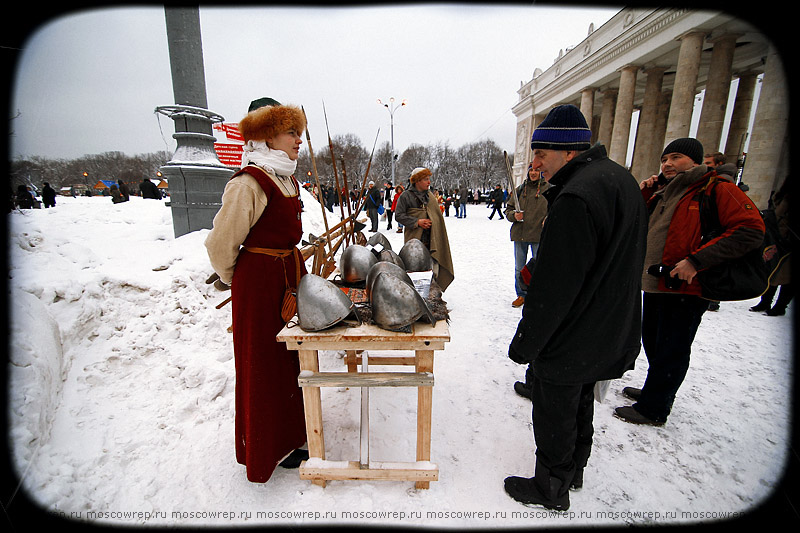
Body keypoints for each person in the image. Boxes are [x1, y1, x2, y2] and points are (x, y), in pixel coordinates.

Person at [504, 104, 647, 511]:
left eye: (541, 154)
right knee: (581, 401)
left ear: (568, 151)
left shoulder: (576, 195)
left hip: (574, 330)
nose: (536, 163)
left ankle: (550, 486)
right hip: (608, 323)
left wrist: (527, 343)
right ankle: (574, 470)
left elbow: (556, 286)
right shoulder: (620, 179)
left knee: (555, 410)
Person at [614, 138, 765, 428]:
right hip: (657, 282)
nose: (667, 164)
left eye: (676, 157)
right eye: (664, 159)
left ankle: (654, 408)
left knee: (673, 347)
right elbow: (639, 223)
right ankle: (655, 390)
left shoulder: (717, 188)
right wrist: (645, 192)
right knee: (655, 341)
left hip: (686, 286)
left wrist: (697, 261)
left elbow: (751, 229)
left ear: (694, 161)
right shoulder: (664, 190)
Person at [204, 96, 309, 483]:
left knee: (288, 360)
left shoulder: (286, 176)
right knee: (262, 365)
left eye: (298, 132)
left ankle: (292, 435)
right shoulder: (248, 181)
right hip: (259, 283)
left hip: (286, 276)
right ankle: (265, 448)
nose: (299, 140)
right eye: (290, 132)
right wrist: (241, 279)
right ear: (267, 136)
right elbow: (220, 245)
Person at [394, 167, 455, 291]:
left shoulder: (430, 196)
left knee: (433, 269)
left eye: (429, 179)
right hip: (415, 241)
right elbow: (399, 216)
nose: (429, 182)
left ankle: (433, 294)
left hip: (432, 241)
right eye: (426, 179)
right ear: (417, 181)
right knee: (414, 270)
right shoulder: (406, 196)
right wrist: (417, 222)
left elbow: (436, 217)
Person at [505, 165, 549, 309]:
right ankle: (521, 294)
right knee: (520, 268)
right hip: (521, 234)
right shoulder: (520, 190)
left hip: (538, 234)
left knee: (538, 267)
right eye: (531, 170)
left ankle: (536, 295)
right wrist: (514, 216)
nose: (533, 173)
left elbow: (556, 207)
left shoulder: (548, 189)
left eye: (536, 170)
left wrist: (548, 218)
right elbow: (508, 210)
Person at [750, 179, 792, 316]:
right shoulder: (782, 195)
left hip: (791, 239)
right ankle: (765, 302)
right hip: (776, 235)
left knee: (788, 275)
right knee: (773, 269)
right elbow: (776, 204)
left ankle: (781, 306)